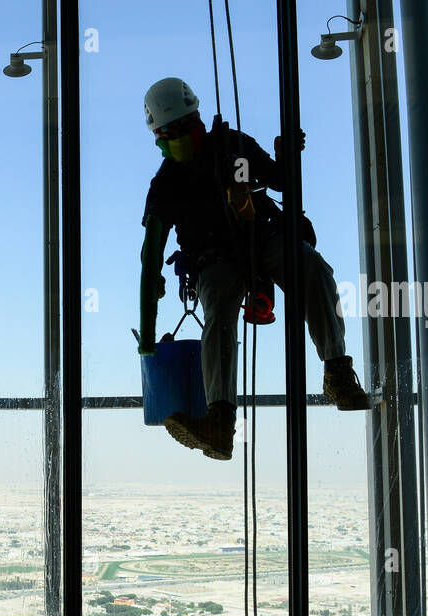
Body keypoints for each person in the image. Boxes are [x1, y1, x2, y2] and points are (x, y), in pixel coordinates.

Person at [137, 77, 370, 460]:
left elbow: (280, 181)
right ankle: (220, 418)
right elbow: (150, 261)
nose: (176, 139)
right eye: (170, 133)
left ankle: (336, 368)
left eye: (180, 130)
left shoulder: (232, 148)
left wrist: (285, 158)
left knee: (309, 266)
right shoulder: (168, 183)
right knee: (219, 315)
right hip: (215, 258)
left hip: (259, 238)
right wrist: (147, 339)